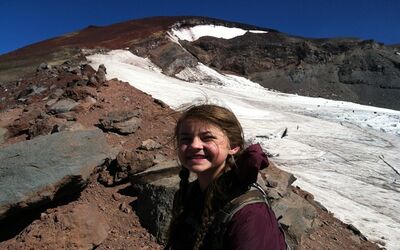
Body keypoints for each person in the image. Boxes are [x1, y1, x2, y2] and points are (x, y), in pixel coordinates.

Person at [165, 104, 287, 250]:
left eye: (207, 138)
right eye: (186, 139)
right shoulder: (190, 192)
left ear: (233, 146)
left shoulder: (250, 214)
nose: (194, 145)